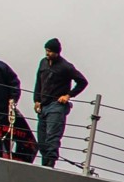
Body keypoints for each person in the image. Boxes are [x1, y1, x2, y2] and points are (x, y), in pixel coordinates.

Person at [31, 38, 88, 168]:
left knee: (52, 136)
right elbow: (38, 82)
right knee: (42, 139)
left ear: (57, 52)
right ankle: (44, 163)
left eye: (50, 51)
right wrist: (36, 100)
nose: (47, 53)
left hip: (56, 105)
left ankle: (50, 163)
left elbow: (82, 81)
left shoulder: (65, 66)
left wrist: (68, 95)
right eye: (46, 50)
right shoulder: (43, 63)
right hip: (43, 105)